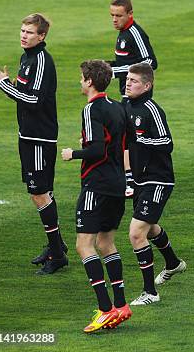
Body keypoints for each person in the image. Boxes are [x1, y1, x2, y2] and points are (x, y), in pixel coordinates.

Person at [0, 13, 68, 274]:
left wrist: (4, 85)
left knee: (39, 193)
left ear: (42, 36)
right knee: (42, 191)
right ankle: (56, 246)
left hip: (39, 137)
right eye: (22, 30)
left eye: (29, 32)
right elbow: (27, 94)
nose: (24, 35)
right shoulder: (27, 58)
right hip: (28, 134)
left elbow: (34, 100)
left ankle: (57, 254)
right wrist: (12, 84)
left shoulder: (41, 61)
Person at [61, 60, 131, 333]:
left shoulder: (91, 109)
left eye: (82, 78)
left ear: (90, 81)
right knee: (106, 243)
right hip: (116, 184)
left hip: (96, 185)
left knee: (84, 245)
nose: (80, 82)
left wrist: (73, 153)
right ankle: (122, 305)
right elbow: (119, 145)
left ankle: (105, 309)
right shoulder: (117, 107)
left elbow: (98, 151)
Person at [123, 63, 186, 306]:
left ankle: (150, 292)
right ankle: (173, 263)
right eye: (128, 79)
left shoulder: (152, 109)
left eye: (134, 81)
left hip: (157, 179)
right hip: (139, 179)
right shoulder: (126, 105)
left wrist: (142, 139)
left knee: (136, 233)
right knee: (149, 228)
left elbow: (166, 142)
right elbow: (124, 142)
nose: (128, 83)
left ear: (147, 85)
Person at [107, 0, 158, 197]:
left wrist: (116, 72)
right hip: (127, 93)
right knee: (126, 136)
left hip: (138, 96)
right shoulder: (122, 33)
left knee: (129, 137)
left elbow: (150, 62)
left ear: (130, 14)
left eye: (118, 15)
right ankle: (131, 178)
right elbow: (125, 63)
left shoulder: (134, 33)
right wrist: (106, 66)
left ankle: (132, 180)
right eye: (112, 15)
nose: (114, 19)